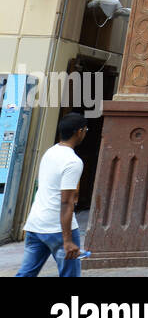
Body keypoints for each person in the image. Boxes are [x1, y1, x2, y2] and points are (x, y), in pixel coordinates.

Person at [16, 113, 88, 277]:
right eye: (85, 130)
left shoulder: (50, 152)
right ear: (79, 131)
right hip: (57, 228)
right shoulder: (73, 161)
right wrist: (68, 240)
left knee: (26, 273)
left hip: (35, 224)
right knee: (70, 274)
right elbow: (66, 202)